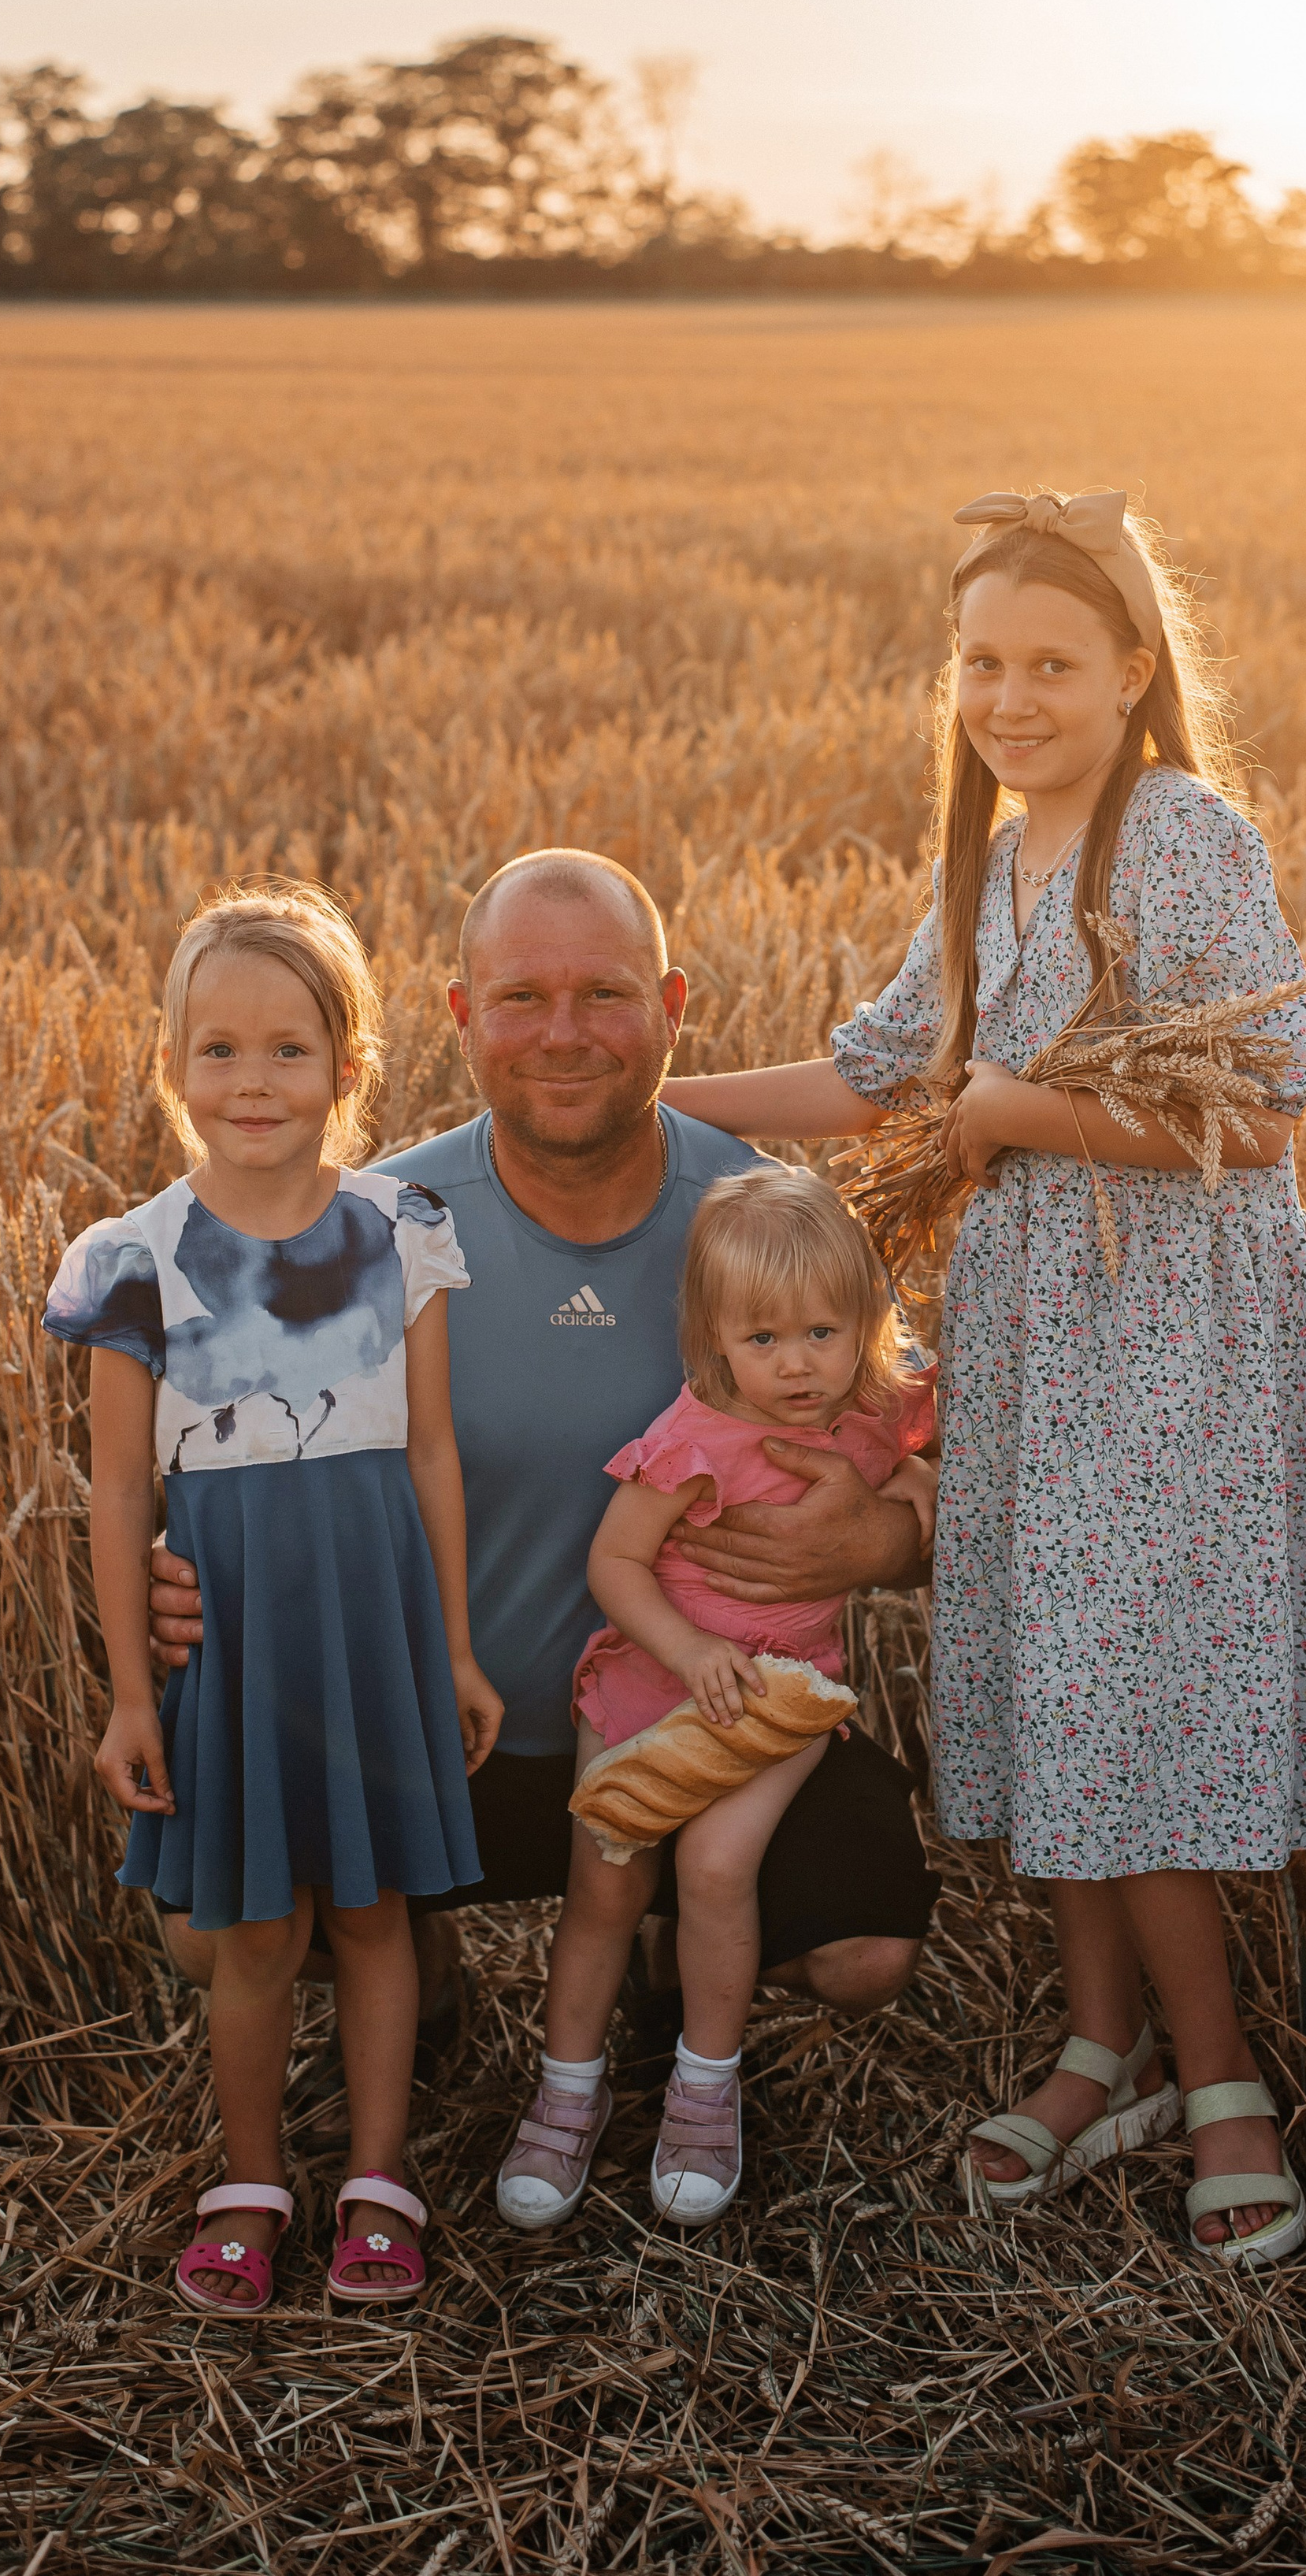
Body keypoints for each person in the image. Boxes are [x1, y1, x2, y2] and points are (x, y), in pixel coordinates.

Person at [668, 486, 1306, 2269]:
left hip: (1177, 1338)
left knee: (1129, 1692)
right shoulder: (984, 867)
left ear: (1135, 673)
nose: (1008, 695)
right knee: (1064, 1684)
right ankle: (1099, 2047)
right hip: (1038, 1340)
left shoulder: (1180, 835)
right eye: (979, 659)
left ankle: (1216, 2078)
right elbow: (876, 1068)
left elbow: (1271, 1097)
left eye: (1050, 661)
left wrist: (1015, 1113)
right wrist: (649, 1110)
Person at [145, 853, 941, 2081]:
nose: (563, 1035)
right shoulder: (372, 1225)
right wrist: (185, 1570)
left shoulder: (769, 1217)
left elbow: (938, 1466)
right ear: (461, 1017)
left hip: (704, 1722)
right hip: (432, 1730)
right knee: (208, 1928)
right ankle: (423, 1959)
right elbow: (244, 1461)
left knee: (866, 1956)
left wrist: (885, 1541)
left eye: (605, 996)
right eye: (520, 998)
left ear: (675, 1010)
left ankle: (673, 1959)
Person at [47, 884, 499, 2315]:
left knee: (370, 1913)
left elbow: (431, 1450)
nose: (253, 1082)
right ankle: (250, 2180)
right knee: (253, 1931)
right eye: (219, 1051)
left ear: (350, 1069)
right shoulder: (135, 1257)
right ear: (172, 1066)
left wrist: (459, 1652)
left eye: (289, 1050)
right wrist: (131, 1688)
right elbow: (122, 1494)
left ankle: (380, 2176)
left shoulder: (401, 1230)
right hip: (230, 1630)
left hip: (372, 1615)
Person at [498, 1169, 936, 2233]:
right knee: (605, 1875)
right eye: (764, 1339)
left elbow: (946, 1455)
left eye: (824, 1333)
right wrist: (690, 1651)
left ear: (866, 1322)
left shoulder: (875, 1411)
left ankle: (703, 2088)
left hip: (779, 1702)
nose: (797, 1366)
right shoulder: (694, 1438)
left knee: (716, 1864)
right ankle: (566, 2089)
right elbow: (617, 1565)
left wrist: (909, 1503)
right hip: (652, 1681)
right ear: (714, 1337)